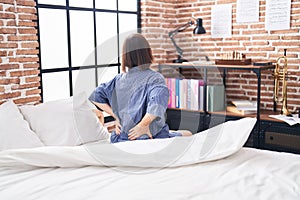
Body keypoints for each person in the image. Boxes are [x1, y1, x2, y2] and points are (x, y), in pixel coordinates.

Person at [89, 33, 191, 143]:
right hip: (151, 137)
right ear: (147, 53)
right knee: (188, 133)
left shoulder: (117, 79)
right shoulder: (155, 78)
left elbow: (95, 96)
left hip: (122, 138)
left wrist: (116, 116)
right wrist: (143, 125)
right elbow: (158, 102)